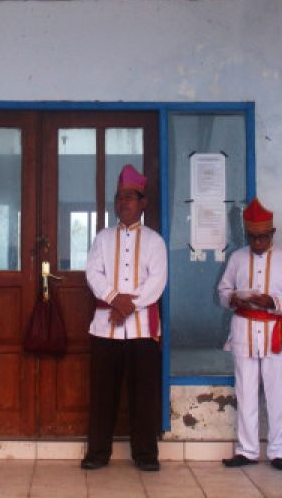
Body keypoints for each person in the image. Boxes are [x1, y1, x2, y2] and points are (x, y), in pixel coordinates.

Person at [81, 165, 167, 472]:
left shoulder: (155, 241)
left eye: (130, 197)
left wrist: (128, 305)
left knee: (144, 395)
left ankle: (145, 455)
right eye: (119, 197)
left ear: (143, 203)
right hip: (106, 330)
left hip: (143, 330)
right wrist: (114, 299)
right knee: (103, 394)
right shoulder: (102, 238)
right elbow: (93, 273)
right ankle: (97, 453)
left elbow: (157, 280)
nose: (123, 202)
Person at [218, 198, 282, 471]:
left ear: (273, 234)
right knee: (245, 392)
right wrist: (234, 298)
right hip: (244, 330)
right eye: (253, 237)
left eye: (263, 237)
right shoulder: (236, 258)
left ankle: (279, 452)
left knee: (277, 393)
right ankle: (247, 450)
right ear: (247, 235)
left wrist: (275, 303)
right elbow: (223, 291)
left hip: (275, 333)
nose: (258, 242)